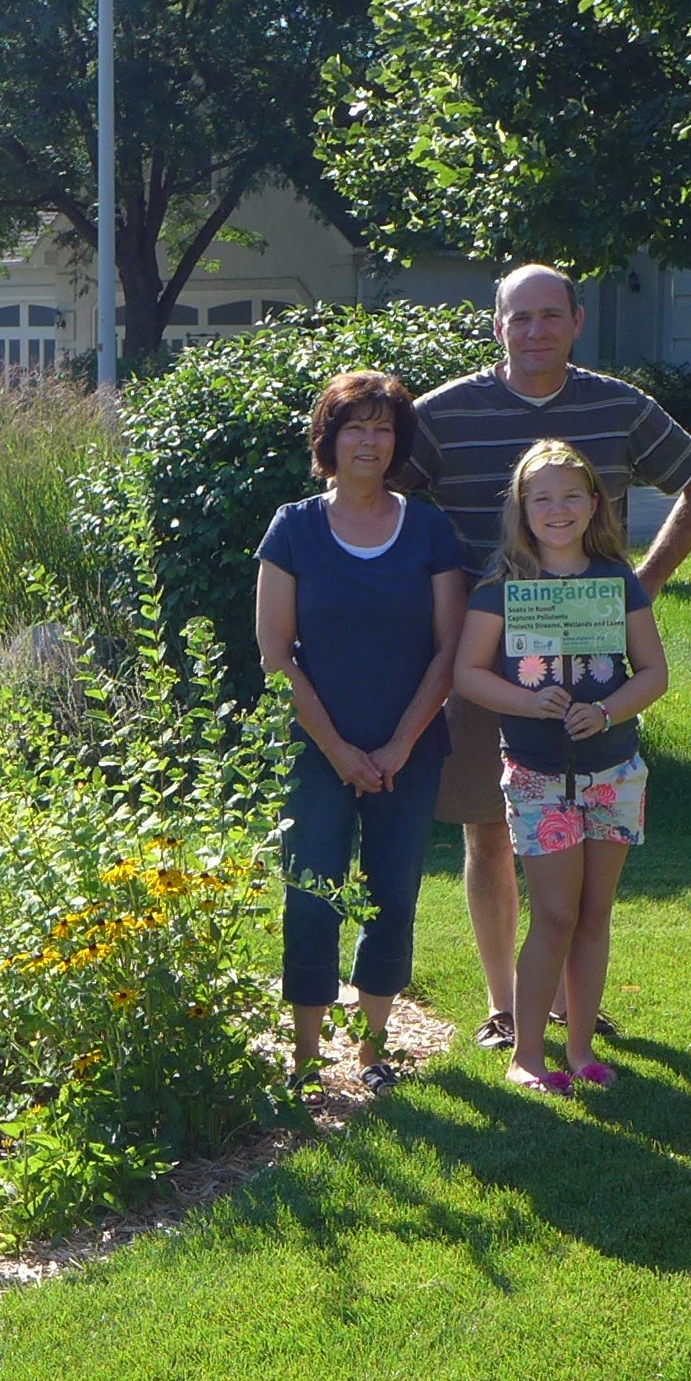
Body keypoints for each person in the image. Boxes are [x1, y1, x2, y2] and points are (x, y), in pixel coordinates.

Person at [393, 264, 691, 1052]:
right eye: (519, 317)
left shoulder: (618, 405)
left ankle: (570, 1008)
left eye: (550, 315)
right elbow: (387, 503)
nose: (534, 330)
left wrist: (637, 587)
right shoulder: (442, 415)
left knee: (584, 846)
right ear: (496, 325)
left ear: (576, 320)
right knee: (489, 827)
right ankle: (506, 1004)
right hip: (482, 661)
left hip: (593, 677)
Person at [256, 372, 466, 1089]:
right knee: (310, 893)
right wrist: (341, 751)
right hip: (319, 750)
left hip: (411, 748)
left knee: (391, 895)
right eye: (354, 427)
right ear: (329, 439)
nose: (368, 441)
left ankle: (374, 1053)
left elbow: (449, 649)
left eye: (382, 427)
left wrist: (400, 744)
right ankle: (305, 1057)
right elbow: (275, 655)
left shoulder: (429, 528)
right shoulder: (293, 527)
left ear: (397, 439)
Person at [453, 440, 668, 1095]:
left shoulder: (614, 579)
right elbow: (467, 673)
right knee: (553, 913)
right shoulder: (503, 587)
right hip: (539, 774)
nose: (557, 508)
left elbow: (653, 672)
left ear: (593, 502)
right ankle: (525, 1051)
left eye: (571, 494)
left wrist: (603, 714)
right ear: (521, 507)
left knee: (594, 911)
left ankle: (578, 1048)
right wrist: (528, 701)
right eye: (541, 497)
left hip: (613, 769)